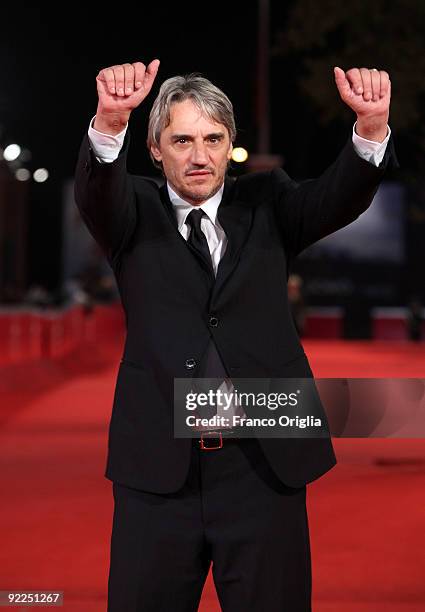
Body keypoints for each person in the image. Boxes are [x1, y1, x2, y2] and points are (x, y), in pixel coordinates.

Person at [74, 59, 395, 611]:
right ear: (155, 149)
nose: (199, 156)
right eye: (182, 140)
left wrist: (369, 129)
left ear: (230, 146)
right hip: (158, 471)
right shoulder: (131, 213)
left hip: (264, 468)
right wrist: (109, 122)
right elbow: (98, 191)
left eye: (213, 139)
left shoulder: (270, 203)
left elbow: (338, 196)